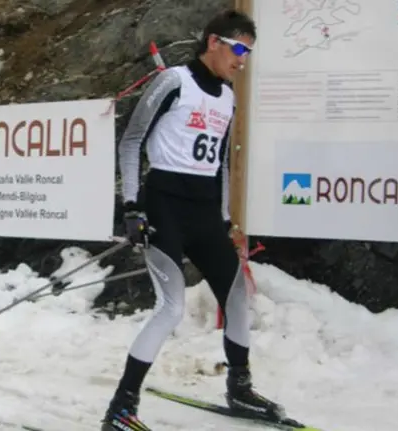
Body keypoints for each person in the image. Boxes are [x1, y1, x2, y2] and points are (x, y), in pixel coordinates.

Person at [101, 9, 286, 431]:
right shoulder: (173, 81)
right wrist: (131, 207)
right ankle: (121, 409)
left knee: (236, 296)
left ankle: (240, 388)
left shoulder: (227, 97)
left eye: (249, 53)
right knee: (171, 308)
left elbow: (220, 163)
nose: (242, 61)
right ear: (214, 42)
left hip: (203, 211)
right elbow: (131, 141)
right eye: (239, 50)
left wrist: (223, 218)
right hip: (165, 206)